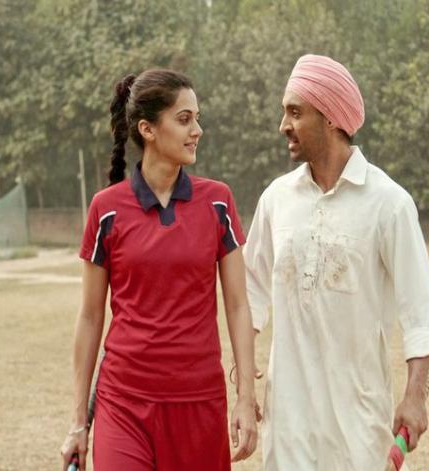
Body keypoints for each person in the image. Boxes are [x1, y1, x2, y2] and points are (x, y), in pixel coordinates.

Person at [243, 54, 429, 470]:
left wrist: (414, 397)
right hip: (288, 426)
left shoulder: (390, 203)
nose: (283, 125)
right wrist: (244, 390)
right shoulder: (276, 199)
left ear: (331, 117)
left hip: (359, 427)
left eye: (295, 112)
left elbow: (419, 312)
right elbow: (248, 297)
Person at [59, 69, 258, 471]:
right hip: (123, 403)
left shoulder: (218, 202)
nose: (197, 130)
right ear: (147, 129)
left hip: (199, 402)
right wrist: (79, 422)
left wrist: (246, 399)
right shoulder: (105, 209)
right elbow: (90, 316)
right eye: (184, 119)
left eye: (197, 118)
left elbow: (238, 305)